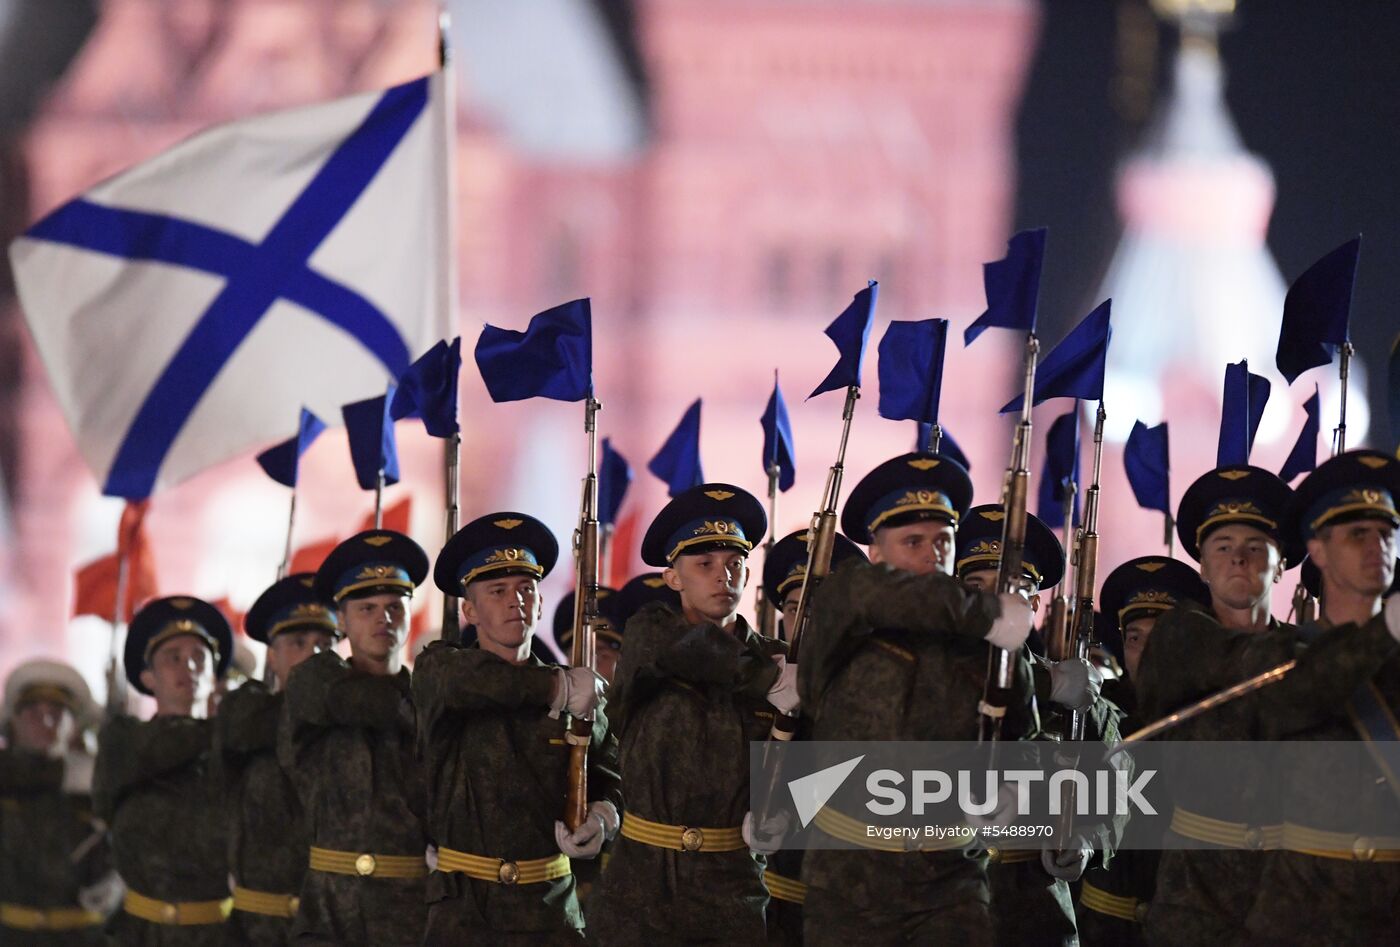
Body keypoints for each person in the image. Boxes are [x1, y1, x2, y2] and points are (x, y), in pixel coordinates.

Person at [796, 452, 1035, 946]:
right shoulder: (847, 605)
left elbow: (1023, 740)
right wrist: (988, 614)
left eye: (943, 541)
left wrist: (1014, 792)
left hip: (950, 880)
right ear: (877, 554)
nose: (933, 555)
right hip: (851, 877)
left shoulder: (989, 644)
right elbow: (874, 594)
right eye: (913, 542)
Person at [588, 483, 791, 946]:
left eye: (735, 563)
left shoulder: (776, 661)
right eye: (705, 565)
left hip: (733, 885)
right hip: (640, 887)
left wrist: (792, 810)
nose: (724, 576)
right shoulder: (649, 637)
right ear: (674, 578)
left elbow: (823, 754)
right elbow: (698, 652)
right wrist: (771, 679)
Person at [414, 512, 621, 945]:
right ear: (469, 610)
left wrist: (604, 817)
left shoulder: (576, 691)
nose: (516, 601)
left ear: (542, 602)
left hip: (550, 911)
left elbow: (613, 775)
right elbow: (474, 683)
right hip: (465, 913)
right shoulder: (441, 669)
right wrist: (556, 686)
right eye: (497, 591)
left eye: (527, 589)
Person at [1133, 464, 1303, 946]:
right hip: (1198, 887)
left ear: (1281, 562)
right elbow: (1248, 662)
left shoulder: (1302, 649)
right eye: (1223, 548)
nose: (1239, 560)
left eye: (1255, 548)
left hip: (1286, 883)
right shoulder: (1179, 637)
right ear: (1202, 567)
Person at [1243, 449, 1400, 946]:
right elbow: (1299, 700)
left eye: (1387, 532)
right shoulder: (1278, 653)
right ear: (1319, 549)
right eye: (1358, 534)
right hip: (1302, 914)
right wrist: (1386, 632)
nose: (1378, 545)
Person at [955, 503, 1113, 947]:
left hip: (1035, 912)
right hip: (942, 905)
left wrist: (1089, 841)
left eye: (1014, 589)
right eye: (977, 588)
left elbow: (1121, 789)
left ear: (1035, 603)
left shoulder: (1078, 695)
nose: (995, 603)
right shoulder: (924, 681)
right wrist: (1044, 684)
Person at [278, 529, 430, 946]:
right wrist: (427, 700)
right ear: (340, 621)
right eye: (366, 608)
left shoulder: (432, 693)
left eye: (394, 607)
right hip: (328, 909)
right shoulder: (317, 683)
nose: (383, 619)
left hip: (411, 911)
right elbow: (359, 700)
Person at [1076, 557, 1209, 946]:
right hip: (1104, 922)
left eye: (1163, 637)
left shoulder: (1215, 719)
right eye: (1135, 638)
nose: (1147, 652)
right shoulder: (1095, 718)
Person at [93, 596, 234, 945]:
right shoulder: (126, 743)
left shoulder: (233, 751)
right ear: (147, 677)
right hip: (142, 933)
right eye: (173, 657)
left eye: (199, 657)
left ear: (214, 676)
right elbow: (160, 749)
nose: (189, 666)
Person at [756, 528, 866, 945]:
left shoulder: (879, 684)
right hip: (769, 906)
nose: (805, 621)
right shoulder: (761, 681)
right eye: (794, 607)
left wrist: (791, 807)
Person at [217, 574, 338, 945]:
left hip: (332, 924)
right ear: (272, 655)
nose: (312, 655)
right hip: (259, 926)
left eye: (323, 644)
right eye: (298, 643)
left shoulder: (352, 719)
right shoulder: (250, 717)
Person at [0, 659, 111, 944]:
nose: (46, 722)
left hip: (81, 936)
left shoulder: (97, 781)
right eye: (34, 713)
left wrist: (120, 881)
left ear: (75, 727)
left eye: (57, 713)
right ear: (13, 721)